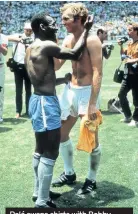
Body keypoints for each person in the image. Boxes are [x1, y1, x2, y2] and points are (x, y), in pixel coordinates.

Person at [25, 12, 92, 208]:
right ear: (42, 27)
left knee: (40, 148)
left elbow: (41, 76)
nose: (57, 27)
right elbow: (74, 54)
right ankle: (42, 201)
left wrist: (62, 80)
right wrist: (86, 30)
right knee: (51, 150)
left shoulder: (32, 47)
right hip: (46, 104)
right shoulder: (47, 45)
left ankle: (39, 191)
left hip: (38, 100)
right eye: (53, 24)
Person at [52, 2, 103, 195]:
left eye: (66, 18)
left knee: (91, 138)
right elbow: (57, 66)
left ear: (79, 19)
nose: (62, 21)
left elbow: (98, 72)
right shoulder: (67, 39)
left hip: (87, 92)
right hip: (70, 90)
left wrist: (92, 103)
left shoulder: (92, 40)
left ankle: (91, 179)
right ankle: (69, 173)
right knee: (60, 134)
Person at [7, 22, 33, 119]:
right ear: (24, 29)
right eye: (27, 30)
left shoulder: (34, 39)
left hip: (29, 66)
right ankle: (18, 111)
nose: (29, 32)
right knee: (18, 90)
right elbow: (6, 38)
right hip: (18, 66)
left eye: (30, 30)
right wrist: (19, 39)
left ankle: (29, 111)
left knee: (28, 90)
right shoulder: (18, 36)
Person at [118, 23, 138, 127]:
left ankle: (135, 119)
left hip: (136, 75)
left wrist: (131, 60)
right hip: (128, 75)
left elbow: (130, 59)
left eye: (130, 30)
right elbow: (123, 56)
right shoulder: (130, 43)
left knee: (136, 99)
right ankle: (128, 115)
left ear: (136, 31)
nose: (128, 32)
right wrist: (121, 46)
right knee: (121, 94)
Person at [0, 22, 8, 123]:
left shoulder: (3, 37)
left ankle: (0, 115)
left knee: (0, 92)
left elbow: (5, 52)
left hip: (0, 66)